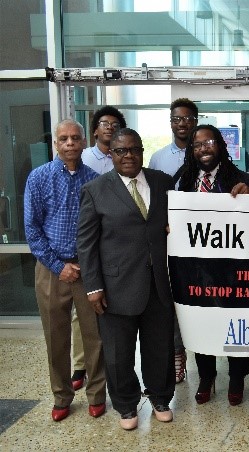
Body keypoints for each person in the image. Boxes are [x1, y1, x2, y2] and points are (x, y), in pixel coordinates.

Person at [77, 128, 176, 430]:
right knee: (119, 354)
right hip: (115, 287)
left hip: (159, 284)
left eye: (134, 149)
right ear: (111, 154)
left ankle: (160, 397)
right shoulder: (96, 190)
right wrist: (93, 287)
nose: (128, 155)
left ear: (142, 151)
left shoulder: (162, 183)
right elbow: (86, 243)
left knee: (159, 348)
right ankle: (126, 405)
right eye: (121, 151)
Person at [24, 119, 107, 422]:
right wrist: (59, 266)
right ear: (56, 144)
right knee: (56, 337)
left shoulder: (96, 181)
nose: (70, 143)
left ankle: (97, 395)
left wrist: (86, 265)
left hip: (87, 270)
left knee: (94, 337)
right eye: (64, 139)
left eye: (75, 138)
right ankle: (61, 396)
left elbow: (101, 228)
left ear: (84, 142)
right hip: (51, 270)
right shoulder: (38, 178)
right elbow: (32, 230)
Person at [178, 124, 249, 407]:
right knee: (202, 322)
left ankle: (237, 378)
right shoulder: (184, 179)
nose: (203, 148)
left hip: (232, 269)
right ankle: (207, 377)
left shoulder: (241, 178)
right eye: (197, 145)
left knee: (234, 323)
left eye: (208, 142)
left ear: (220, 145)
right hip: (196, 269)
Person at [72, 105, 127, 388]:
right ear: (94, 130)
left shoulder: (127, 160)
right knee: (83, 313)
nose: (110, 128)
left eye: (115, 124)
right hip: (89, 244)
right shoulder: (83, 161)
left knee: (109, 313)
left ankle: (104, 367)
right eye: (105, 123)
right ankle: (81, 366)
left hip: (116, 248)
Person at [149, 97, 200, 385]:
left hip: (203, 242)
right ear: (171, 123)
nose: (183, 124)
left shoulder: (208, 151)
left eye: (188, 119)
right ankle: (177, 354)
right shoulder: (158, 158)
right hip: (169, 241)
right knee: (172, 298)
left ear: (196, 120)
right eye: (177, 119)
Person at [81, 106, 127, 174]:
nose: (110, 127)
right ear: (95, 131)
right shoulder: (83, 156)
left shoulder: (125, 159)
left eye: (115, 125)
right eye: (104, 124)